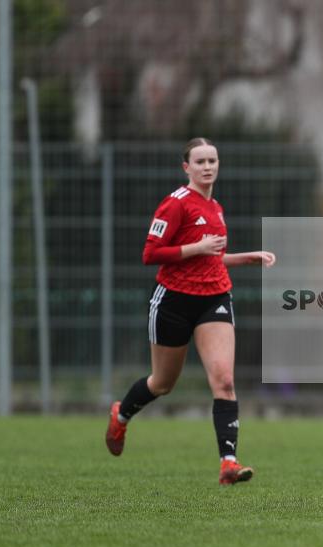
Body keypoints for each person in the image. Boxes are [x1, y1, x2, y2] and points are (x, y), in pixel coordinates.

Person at [105, 137, 276, 485]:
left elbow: (210, 258)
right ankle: (121, 416)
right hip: (173, 302)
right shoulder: (175, 204)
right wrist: (197, 245)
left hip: (214, 298)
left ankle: (228, 463)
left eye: (212, 160)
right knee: (163, 383)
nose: (208, 166)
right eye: (200, 162)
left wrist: (246, 258)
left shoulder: (217, 208)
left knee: (224, 381)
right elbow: (151, 254)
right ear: (187, 167)